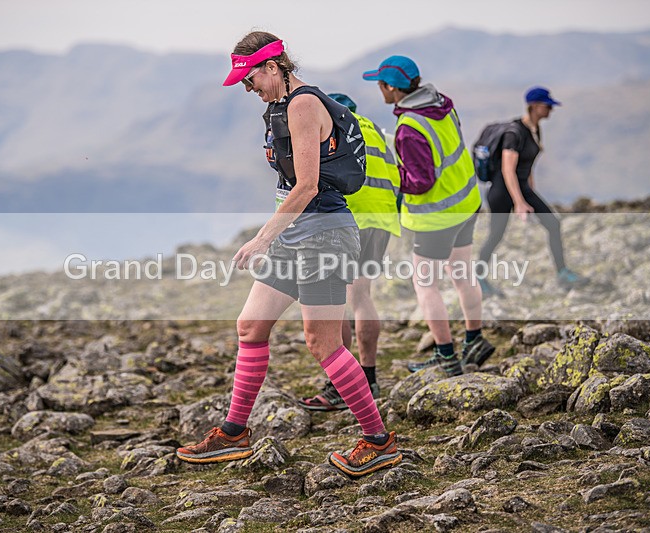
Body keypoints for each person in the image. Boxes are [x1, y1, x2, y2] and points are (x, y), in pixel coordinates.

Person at [176, 32, 402, 477]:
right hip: (298, 234)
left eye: (251, 77)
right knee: (251, 326)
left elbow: (307, 186)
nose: (248, 87)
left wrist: (262, 239)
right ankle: (234, 434)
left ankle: (378, 441)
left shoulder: (301, 105)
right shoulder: (278, 107)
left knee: (322, 342)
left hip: (323, 234)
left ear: (274, 65)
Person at [362, 56, 494, 372]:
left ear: (392, 87)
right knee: (462, 274)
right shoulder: (443, 104)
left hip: (437, 218)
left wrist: (393, 173)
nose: (379, 90)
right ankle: (474, 339)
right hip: (466, 204)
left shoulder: (409, 128)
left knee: (425, 285)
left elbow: (420, 183)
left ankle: (446, 356)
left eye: (380, 84)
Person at [297, 93, 400, 411]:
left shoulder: (335, 133)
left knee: (335, 300)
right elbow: (397, 177)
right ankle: (368, 378)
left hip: (348, 220)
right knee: (362, 297)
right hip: (382, 220)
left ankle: (339, 385)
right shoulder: (377, 132)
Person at [477, 87, 588, 295]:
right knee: (496, 235)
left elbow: (526, 166)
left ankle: (562, 272)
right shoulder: (514, 133)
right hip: (502, 191)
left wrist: (531, 194)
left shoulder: (534, 130)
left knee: (553, 223)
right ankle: (479, 277)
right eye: (547, 106)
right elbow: (507, 170)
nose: (551, 110)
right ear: (534, 106)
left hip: (522, 188)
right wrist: (519, 202)